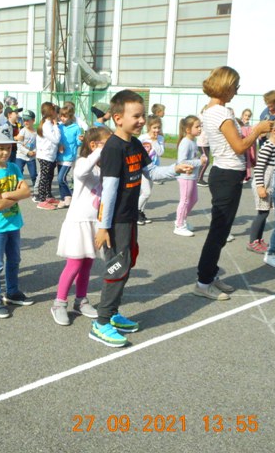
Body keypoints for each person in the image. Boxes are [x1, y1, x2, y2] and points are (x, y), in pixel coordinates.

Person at [90, 89, 193, 347]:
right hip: (115, 221)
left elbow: (153, 172)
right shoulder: (113, 148)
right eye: (136, 116)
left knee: (127, 263)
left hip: (129, 218)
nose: (141, 120)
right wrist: (103, 227)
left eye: (142, 115)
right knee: (117, 267)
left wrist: (175, 169)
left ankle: (113, 313)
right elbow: (108, 191)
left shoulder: (135, 144)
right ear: (118, 118)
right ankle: (101, 323)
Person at [194, 66, 272, 301]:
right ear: (226, 86)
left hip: (227, 174)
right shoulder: (220, 113)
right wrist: (257, 130)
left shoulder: (214, 110)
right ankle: (203, 282)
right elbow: (239, 147)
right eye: (235, 87)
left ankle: (210, 274)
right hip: (226, 175)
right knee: (218, 231)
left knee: (222, 230)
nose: (236, 91)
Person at [51, 126, 111, 326]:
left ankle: (81, 300)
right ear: (94, 145)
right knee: (74, 264)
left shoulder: (103, 168)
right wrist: (100, 150)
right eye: (107, 143)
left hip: (95, 223)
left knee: (87, 264)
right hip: (79, 222)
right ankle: (59, 303)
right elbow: (82, 172)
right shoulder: (83, 162)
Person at [0, 126, 34, 319]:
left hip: (14, 223)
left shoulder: (13, 168)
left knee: (14, 260)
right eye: (0, 148)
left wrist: (6, 194)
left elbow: (27, 192)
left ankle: (12, 292)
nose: (5, 152)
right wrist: (12, 197)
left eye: (9, 148)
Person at [247, 117, 275, 253]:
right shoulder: (268, 146)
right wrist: (260, 186)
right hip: (263, 183)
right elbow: (259, 168)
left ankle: (258, 240)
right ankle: (252, 242)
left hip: (270, 183)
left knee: (265, 212)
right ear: (274, 131)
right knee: (262, 213)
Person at [174, 115, 207, 237]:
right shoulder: (185, 142)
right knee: (185, 200)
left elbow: (192, 157)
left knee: (193, 199)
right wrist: (199, 162)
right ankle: (179, 225)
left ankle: (181, 219)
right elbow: (182, 161)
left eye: (200, 126)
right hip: (185, 177)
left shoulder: (193, 141)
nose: (200, 129)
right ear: (188, 129)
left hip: (192, 176)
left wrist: (200, 158)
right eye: (197, 127)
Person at [137, 115, 164, 225]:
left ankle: (141, 213)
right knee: (146, 192)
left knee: (147, 193)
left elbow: (160, 153)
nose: (156, 130)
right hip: (143, 168)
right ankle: (136, 212)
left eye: (158, 127)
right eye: (154, 128)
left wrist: (154, 141)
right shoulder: (142, 138)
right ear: (149, 127)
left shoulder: (160, 138)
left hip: (154, 168)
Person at [35, 102, 61, 210]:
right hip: (45, 155)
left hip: (50, 155)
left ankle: (48, 196)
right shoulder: (47, 125)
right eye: (55, 111)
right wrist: (55, 125)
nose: (57, 113)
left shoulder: (49, 124)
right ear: (51, 112)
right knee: (44, 177)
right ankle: (41, 200)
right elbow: (56, 139)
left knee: (49, 176)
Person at [56, 104, 82, 209]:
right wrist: (59, 145)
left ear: (71, 117)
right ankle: (63, 199)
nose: (62, 118)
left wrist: (81, 139)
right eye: (61, 116)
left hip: (69, 156)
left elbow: (78, 143)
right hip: (60, 156)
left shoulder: (76, 128)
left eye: (65, 116)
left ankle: (70, 196)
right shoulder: (59, 127)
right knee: (61, 179)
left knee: (60, 178)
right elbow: (56, 139)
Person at [15, 109, 37, 188]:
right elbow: (19, 144)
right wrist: (27, 152)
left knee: (33, 174)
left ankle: (35, 187)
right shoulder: (22, 131)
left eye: (28, 120)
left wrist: (34, 151)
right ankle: (19, 187)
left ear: (33, 120)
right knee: (19, 172)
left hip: (31, 157)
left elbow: (37, 144)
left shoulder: (36, 132)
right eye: (24, 120)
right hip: (20, 156)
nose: (26, 122)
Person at [196, 106, 210, 187]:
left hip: (207, 142)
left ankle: (196, 176)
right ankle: (199, 179)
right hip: (202, 142)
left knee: (200, 160)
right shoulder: (201, 118)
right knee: (206, 161)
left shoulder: (208, 118)